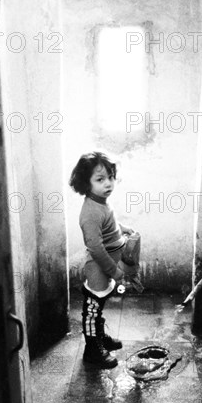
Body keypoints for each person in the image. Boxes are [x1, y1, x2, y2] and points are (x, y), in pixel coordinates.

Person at [69, 151, 134, 368]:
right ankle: (92, 350)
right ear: (86, 184)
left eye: (110, 177)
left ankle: (99, 337)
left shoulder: (102, 202)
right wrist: (115, 272)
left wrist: (122, 229)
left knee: (100, 305)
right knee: (92, 308)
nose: (108, 183)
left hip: (107, 264)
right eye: (100, 179)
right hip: (99, 267)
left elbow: (109, 225)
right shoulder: (90, 212)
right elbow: (95, 247)